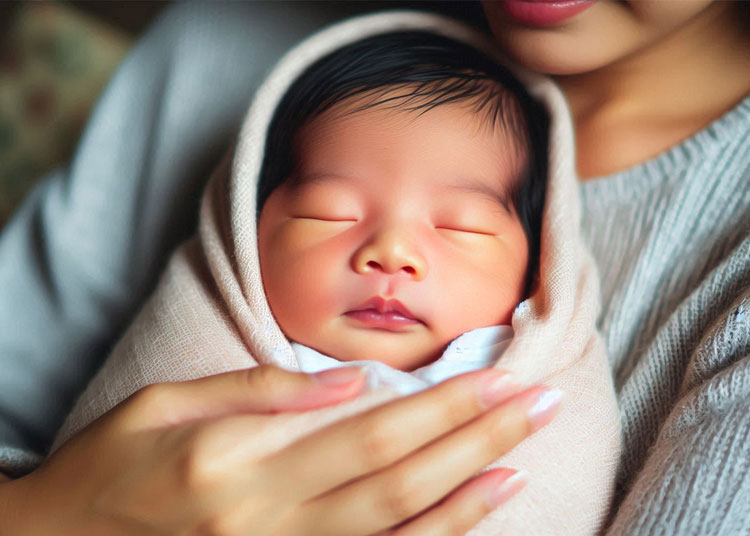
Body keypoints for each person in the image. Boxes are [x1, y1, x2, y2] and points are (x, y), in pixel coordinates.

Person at [0, 0, 747, 534]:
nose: (390, 252)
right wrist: (34, 516)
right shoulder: (228, 37)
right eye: (326, 212)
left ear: (540, 263)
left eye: (462, 225)